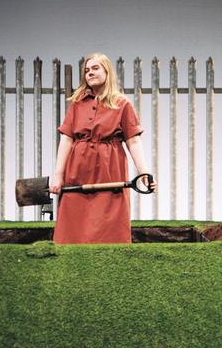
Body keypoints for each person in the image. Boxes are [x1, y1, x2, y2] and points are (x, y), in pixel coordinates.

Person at [50, 53, 156, 243]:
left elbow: (133, 141)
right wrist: (58, 175)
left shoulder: (122, 104)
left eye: (95, 68)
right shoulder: (77, 103)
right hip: (77, 171)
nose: (90, 73)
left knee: (109, 221)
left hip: (109, 171)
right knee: (73, 221)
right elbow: (66, 139)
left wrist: (143, 173)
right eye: (87, 70)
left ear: (107, 72)